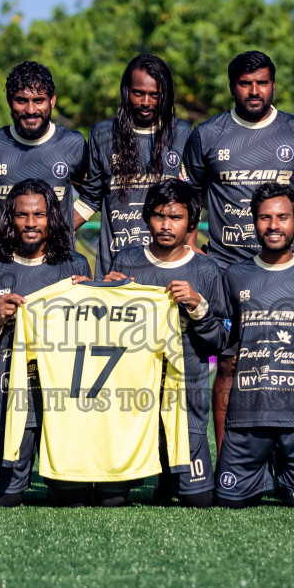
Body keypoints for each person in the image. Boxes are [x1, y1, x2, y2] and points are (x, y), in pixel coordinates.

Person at [184, 51, 294, 447]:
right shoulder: (207, 134)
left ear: (273, 85)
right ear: (232, 87)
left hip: (288, 270)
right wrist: (193, 251)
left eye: (261, 82)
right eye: (245, 83)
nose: (254, 90)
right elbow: (188, 200)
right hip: (227, 268)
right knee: (229, 363)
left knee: (291, 363)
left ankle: (292, 460)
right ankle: (229, 462)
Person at [0, 179, 91, 505]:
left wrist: (97, 294)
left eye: (39, 215)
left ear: (52, 218)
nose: (31, 223)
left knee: (72, 500)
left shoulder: (75, 267)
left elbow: (94, 337)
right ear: (10, 218)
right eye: (22, 215)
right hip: (9, 401)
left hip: (61, 403)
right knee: (4, 499)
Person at [109, 179, 228, 507]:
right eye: (159, 216)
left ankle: (169, 478)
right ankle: (156, 475)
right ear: (147, 217)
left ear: (191, 222)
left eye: (175, 217)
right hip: (132, 398)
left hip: (186, 396)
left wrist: (198, 305)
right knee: (111, 500)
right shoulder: (126, 261)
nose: (166, 224)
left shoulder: (206, 269)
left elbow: (220, 341)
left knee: (199, 500)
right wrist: (104, 293)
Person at [213, 182, 294, 508]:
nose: (274, 225)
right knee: (228, 506)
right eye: (265, 218)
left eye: (282, 217)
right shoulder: (235, 275)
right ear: (254, 222)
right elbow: (224, 347)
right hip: (247, 422)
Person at [74, 54, 192, 274]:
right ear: (126, 91)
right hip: (114, 269)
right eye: (138, 93)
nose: (145, 102)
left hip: (167, 267)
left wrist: (192, 245)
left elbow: (191, 198)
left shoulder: (182, 133)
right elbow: (89, 199)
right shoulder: (102, 134)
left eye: (154, 95)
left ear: (164, 96)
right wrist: (51, 236)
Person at [0, 61, 87, 238]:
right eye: (22, 101)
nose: (31, 110)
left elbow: (95, 193)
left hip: (58, 262)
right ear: (10, 101)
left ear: (52, 101)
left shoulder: (73, 143)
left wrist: (64, 227)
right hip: (3, 262)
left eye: (38, 100)